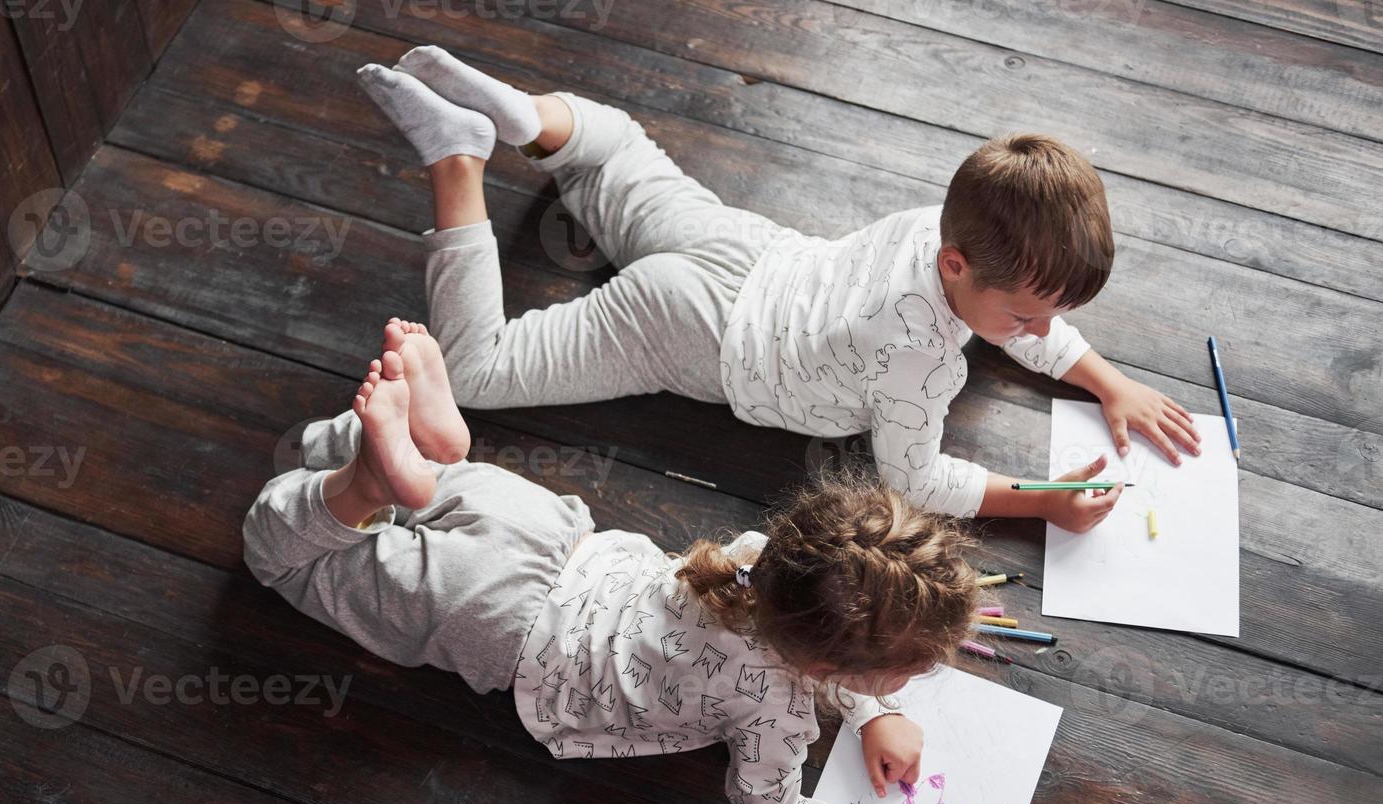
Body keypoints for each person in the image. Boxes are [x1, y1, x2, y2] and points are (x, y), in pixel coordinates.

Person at [241, 319, 1003, 804]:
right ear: (833, 662)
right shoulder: (775, 713)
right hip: (497, 622)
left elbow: (834, 608)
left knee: (424, 483)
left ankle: (426, 455)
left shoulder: (764, 559)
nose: (914, 682)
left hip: (545, 531)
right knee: (280, 556)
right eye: (908, 672)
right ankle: (363, 489)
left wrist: (877, 710)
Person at [354, 47, 1203, 534]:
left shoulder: (943, 227)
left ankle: (530, 115)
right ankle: (457, 162)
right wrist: (1042, 504)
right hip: (692, 333)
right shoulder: (919, 366)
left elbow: (1019, 313)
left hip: (745, 250)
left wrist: (1104, 377)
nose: (1036, 332)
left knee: (613, 157)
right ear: (958, 270)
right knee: (476, 373)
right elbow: (914, 480)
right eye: (1029, 316)